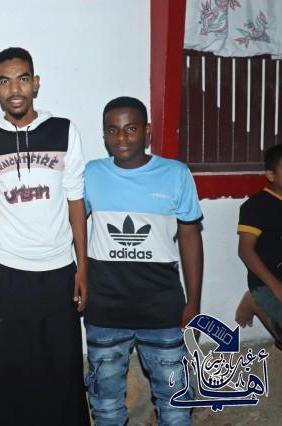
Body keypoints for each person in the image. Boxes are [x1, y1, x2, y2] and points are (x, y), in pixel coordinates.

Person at [0, 47, 90, 426]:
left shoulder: (63, 130)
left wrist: (82, 268)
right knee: (6, 379)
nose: (14, 89)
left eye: (22, 79)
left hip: (58, 271)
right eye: (5, 81)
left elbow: (76, 201)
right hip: (5, 273)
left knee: (61, 375)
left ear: (35, 83)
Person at [83, 96, 203, 425]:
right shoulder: (91, 174)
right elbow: (72, 228)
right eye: (112, 130)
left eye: (131, 129)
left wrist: (194, 302)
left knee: (176, 404)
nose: (121, 137)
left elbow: (191, 238)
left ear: (147, 131)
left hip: (162, 309)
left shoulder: (175, 174)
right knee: (105, 406)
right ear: (104, 134)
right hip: (105, 308)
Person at [234, 143, 282, 350]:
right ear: (271, 175)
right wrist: (276, 286)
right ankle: (254, 301)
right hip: (267, 283)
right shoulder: (257, 206)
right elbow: (245, 250)